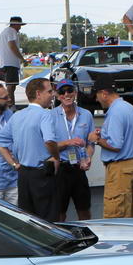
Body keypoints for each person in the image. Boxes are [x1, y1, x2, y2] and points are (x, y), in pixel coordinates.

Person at [0, 78, 59, 219]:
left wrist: (13, 164)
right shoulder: (45, 114)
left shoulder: (17, 115)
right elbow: (49, 141)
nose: (52, 94)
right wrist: (56, 157)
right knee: (48, 220)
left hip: (23, 174)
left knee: (29, 219)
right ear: (38, 94)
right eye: (49, 91)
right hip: (42, 173)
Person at [88, 74, 133, 218]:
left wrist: (96, 140)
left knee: (115, 216)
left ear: (104, 94)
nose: (96, 99)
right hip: (132, 165)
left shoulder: (115, 112)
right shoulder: (128, 107)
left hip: (120, 168)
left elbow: (115, 144)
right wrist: (104, 134)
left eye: (97, 95)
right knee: (129, 215)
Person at [48, 79, 94, 220]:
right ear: (57, 95)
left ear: (75, 92)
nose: (66, 94)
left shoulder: (86, 114)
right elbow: (48, 146)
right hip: (60, 169)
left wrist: (88, 158)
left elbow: (91, 143)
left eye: (70, 91)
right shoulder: (51, 116)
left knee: (84, 210)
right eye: (62, 92)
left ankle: (87, 238)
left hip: (79, 169)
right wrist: (68, 142)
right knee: (60, 212)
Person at [0, 16, 25, 101]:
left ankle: (9, 103)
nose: (20, 27)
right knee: (11, 85)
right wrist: (22, 58)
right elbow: (12, 45)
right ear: (15, 24)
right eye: (19, 25)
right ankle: (10, 103)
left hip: (6, 62)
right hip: (10, 62)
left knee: (11, 85)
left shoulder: (4, 32)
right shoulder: (12, 31)